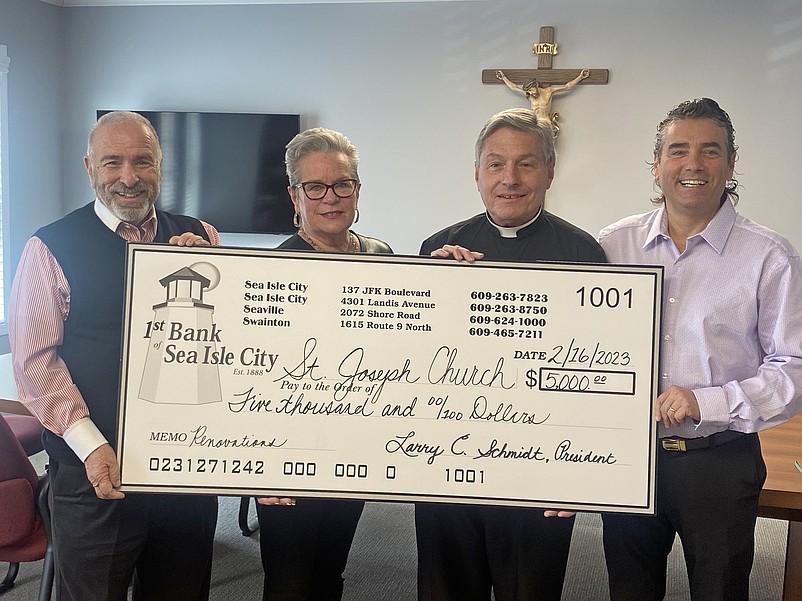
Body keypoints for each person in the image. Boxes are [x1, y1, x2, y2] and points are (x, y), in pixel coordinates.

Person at [8, 110, 221, 601]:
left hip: (185, 470)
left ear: (161, 166)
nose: (129, 177)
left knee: (182, 591)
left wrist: (212, 269)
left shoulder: (200, 236)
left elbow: (227, 343)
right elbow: (35, 364)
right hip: (93, 473)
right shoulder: (49, 246)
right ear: (90, 168)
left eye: (143, 161)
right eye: (113, 163)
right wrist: (90, 443)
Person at [598, 98, 802, 601]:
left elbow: (793, 369)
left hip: (719, 460)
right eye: (678, 150)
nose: (693, 164)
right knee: (628, 589)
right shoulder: (611, 246)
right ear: (656, 164)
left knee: (719, 589)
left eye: (710, 151)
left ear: (731, 164)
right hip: (629, 460)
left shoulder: (769, 256)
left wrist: (704, 400)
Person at [416, 107, 606, 601]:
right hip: (446, 469)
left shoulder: (583, 254)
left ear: (549, 172)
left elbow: (595, 372)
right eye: (496, 164)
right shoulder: (439, 247)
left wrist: (576, 476)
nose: (510, 179)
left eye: (526, 164)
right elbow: (409, 363)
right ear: (477, 173)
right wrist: (436, 286)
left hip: (537, 476)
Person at [256, 127, 392, 601]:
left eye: (342, 184)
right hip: (288, 454)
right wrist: (256, 466)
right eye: (314, 186)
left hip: (353, 448)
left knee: (331, 571)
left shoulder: (384, 257)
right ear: (295, 194)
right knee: (290, 582)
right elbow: (253, 377)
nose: (330, 197)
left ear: (358, 189)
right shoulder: (271, 272)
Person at [496, 69, 589, 134]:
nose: (531, 93)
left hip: (546, 122)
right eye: (529, 92)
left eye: (532, 90)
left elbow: (567, 86)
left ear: (536, 85)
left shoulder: (548, 92)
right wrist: (503, 77)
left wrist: (580, 77)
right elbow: (514, 87)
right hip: (533, 124)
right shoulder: (530, 96)